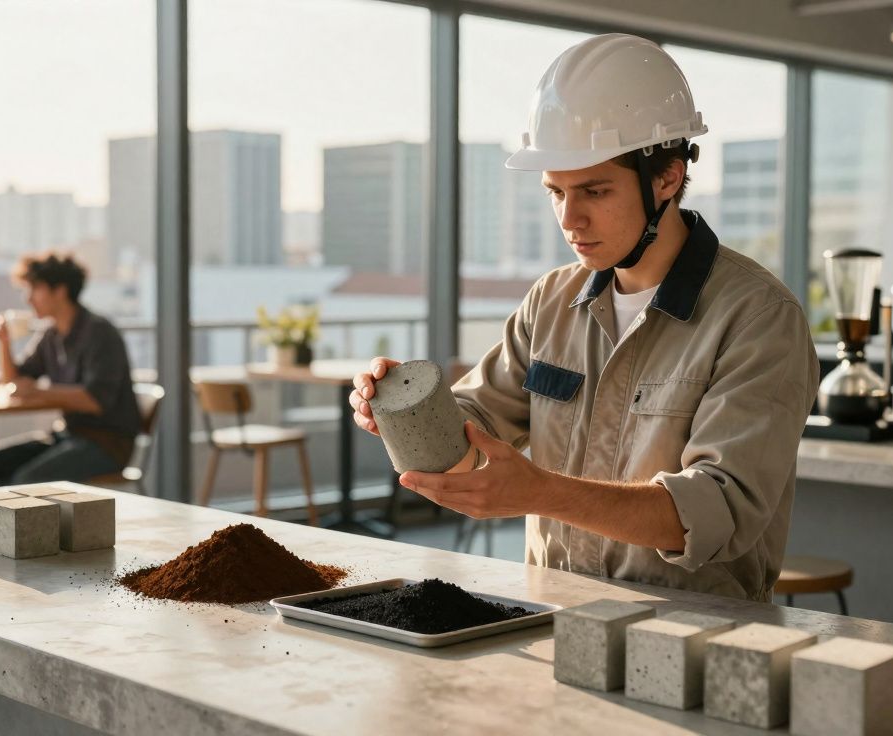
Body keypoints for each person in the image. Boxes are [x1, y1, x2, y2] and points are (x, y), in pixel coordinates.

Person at [349, 34, 818, 602]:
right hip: (552, 617)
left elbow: (720, 510)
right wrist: (405, 410)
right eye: (556, 192)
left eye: (595, 190)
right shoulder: (551, 301)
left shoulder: (758, 318)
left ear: (668, 177)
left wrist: (542, 493)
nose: (570, 219)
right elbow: (476, 428)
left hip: (695, 640)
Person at [0, 252, 140, 487]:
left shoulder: (100, 333)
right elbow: (15, 381)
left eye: (34, 289)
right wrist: (3, 343)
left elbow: (95, 400)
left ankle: (25, 524)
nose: (28, 299)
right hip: (67, 436)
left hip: (106, 444)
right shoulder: (51, 334)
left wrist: (39, 392)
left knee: (28, 481)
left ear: (60, 291)